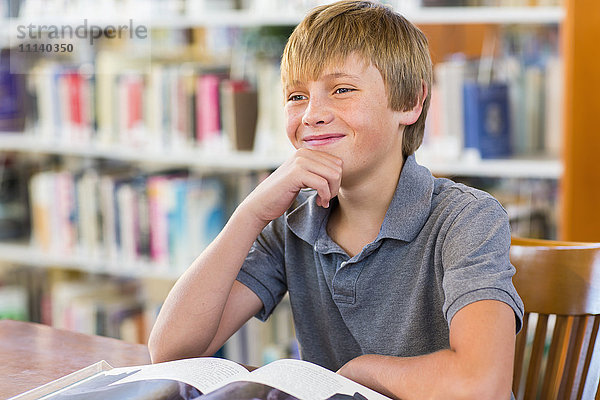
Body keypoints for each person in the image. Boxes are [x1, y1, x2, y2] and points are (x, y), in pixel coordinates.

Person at [149, 1, 524, 399]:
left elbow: (482, 386)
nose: (312, 114)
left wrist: (361, 371)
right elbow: (172, 351)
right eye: (296, 96)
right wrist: (251, 212)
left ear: (411, 103)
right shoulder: (290, 223)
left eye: (342, 89)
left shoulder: (467, 219)